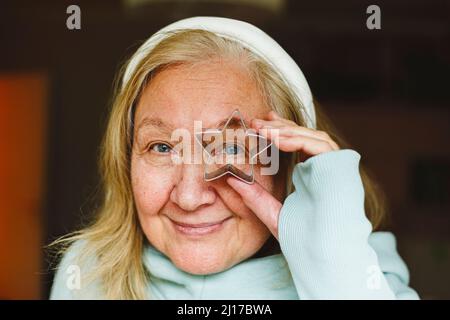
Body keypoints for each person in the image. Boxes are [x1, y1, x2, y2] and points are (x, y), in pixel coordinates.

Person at [49, 16, 419, 300]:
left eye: (229, 149)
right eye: (162, 147)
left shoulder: (366, 274)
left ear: (289, 166)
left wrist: (333, 261)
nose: (189, 197)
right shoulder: (89, 271)